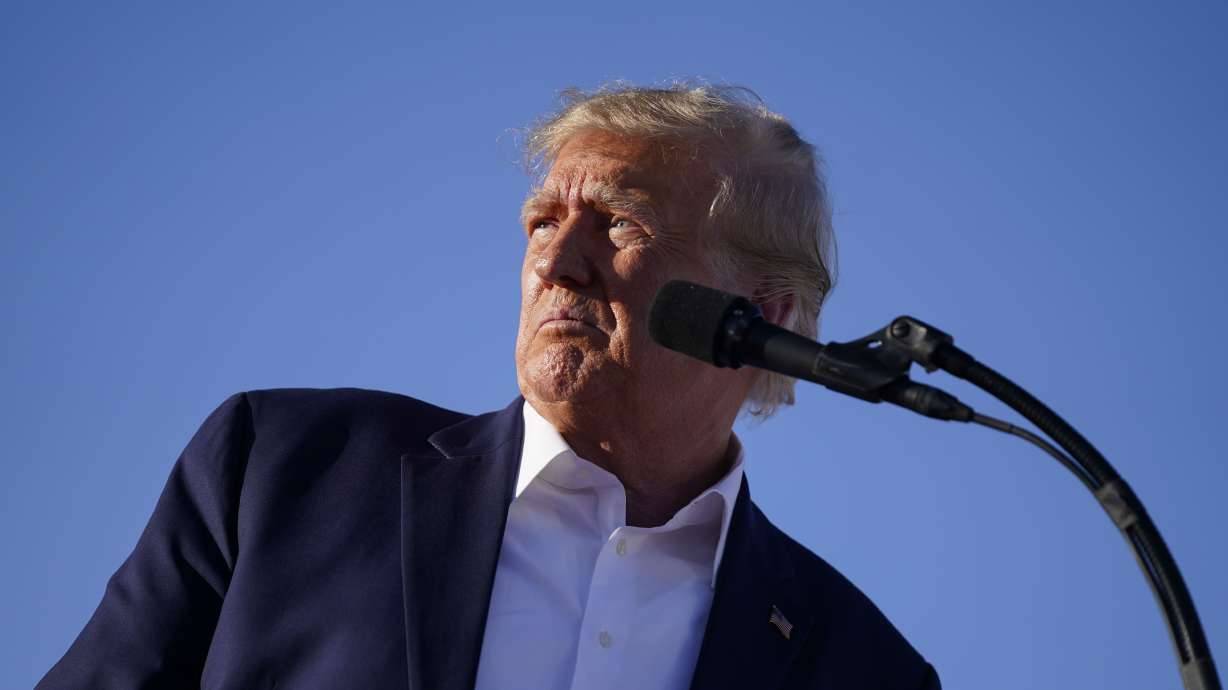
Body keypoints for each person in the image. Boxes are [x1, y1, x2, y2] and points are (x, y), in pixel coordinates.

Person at [39, 84, 940, 690]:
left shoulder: (858, 663)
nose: (554, 260)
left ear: (764, 314)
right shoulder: (281, 471)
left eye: (621, 223)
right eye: (542, 220)